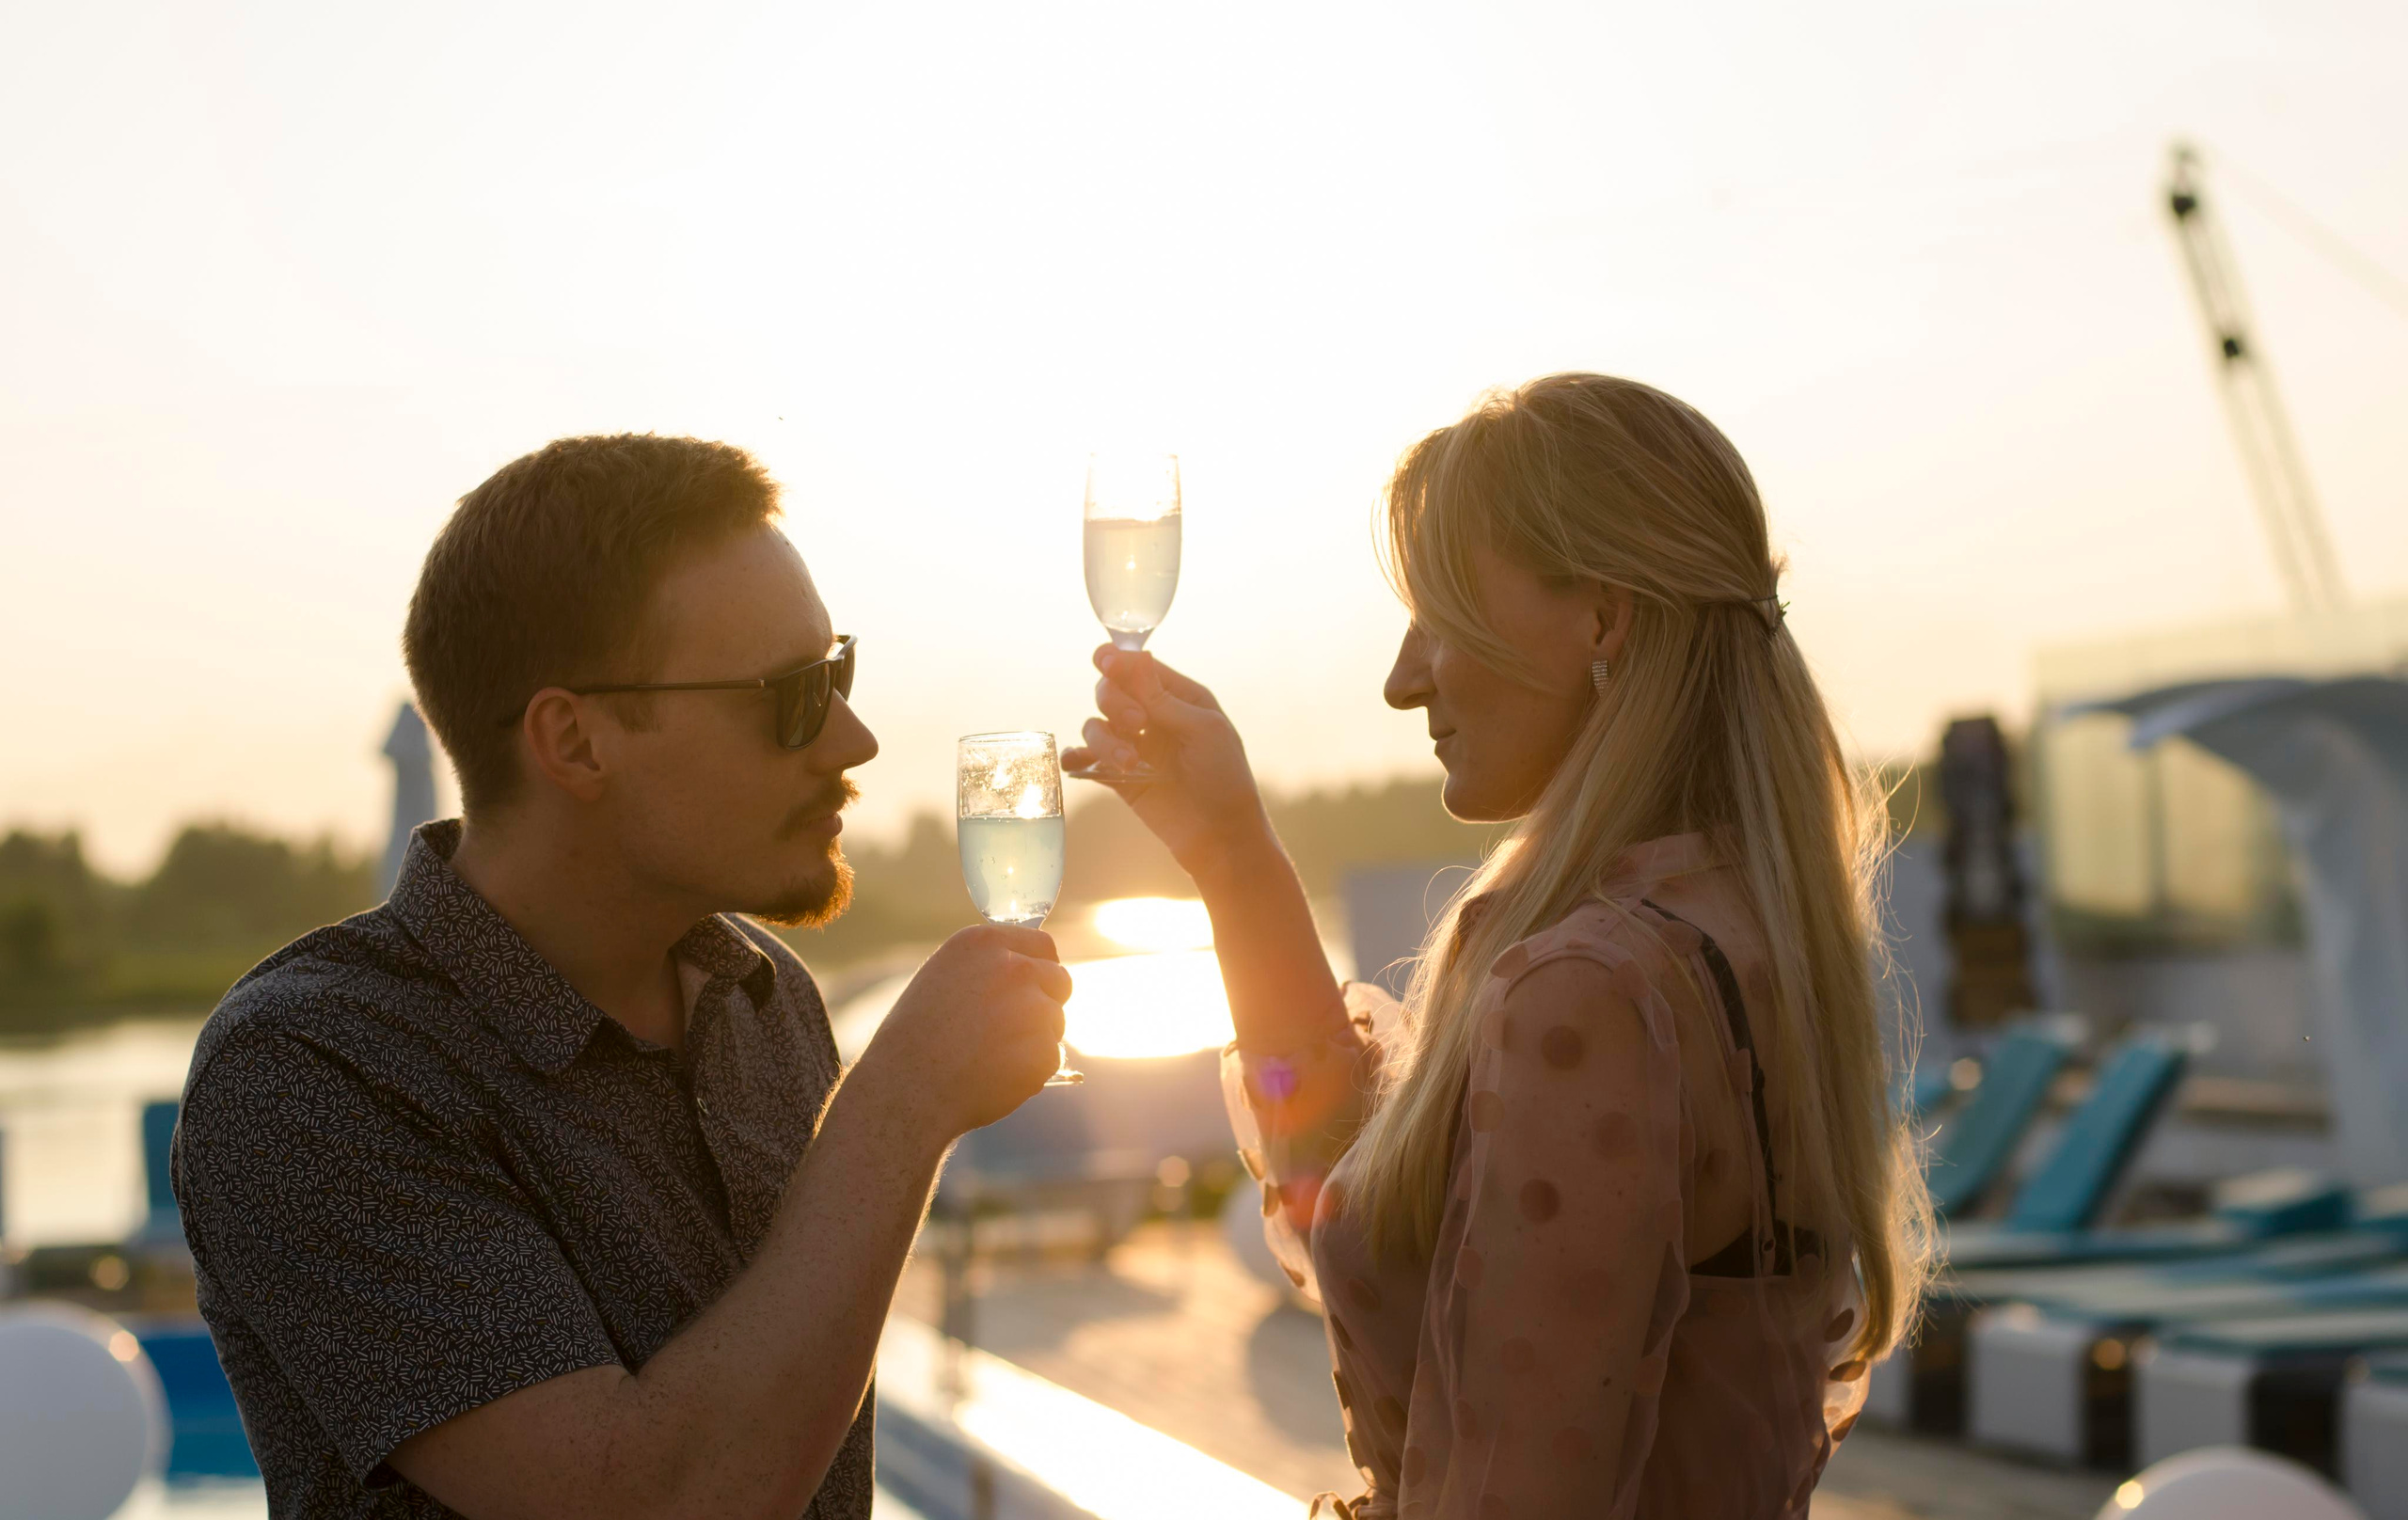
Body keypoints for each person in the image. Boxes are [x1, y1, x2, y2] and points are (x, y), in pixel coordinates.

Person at [1064, 373, 1931, 1518]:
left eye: (1438, 614)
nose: (1400, 679)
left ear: (1602, 620)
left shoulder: (1591, 992)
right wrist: (1233, 860)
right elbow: (1379, 1189)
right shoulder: (1734, 933)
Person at [172, 435, 1072, 1520]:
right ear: (577, 743)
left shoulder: (762, 997)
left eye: (836, 672)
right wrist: (903, 1105)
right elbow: (648, 1503)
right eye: (790, 695)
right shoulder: (315, 1072)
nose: (854, 737)